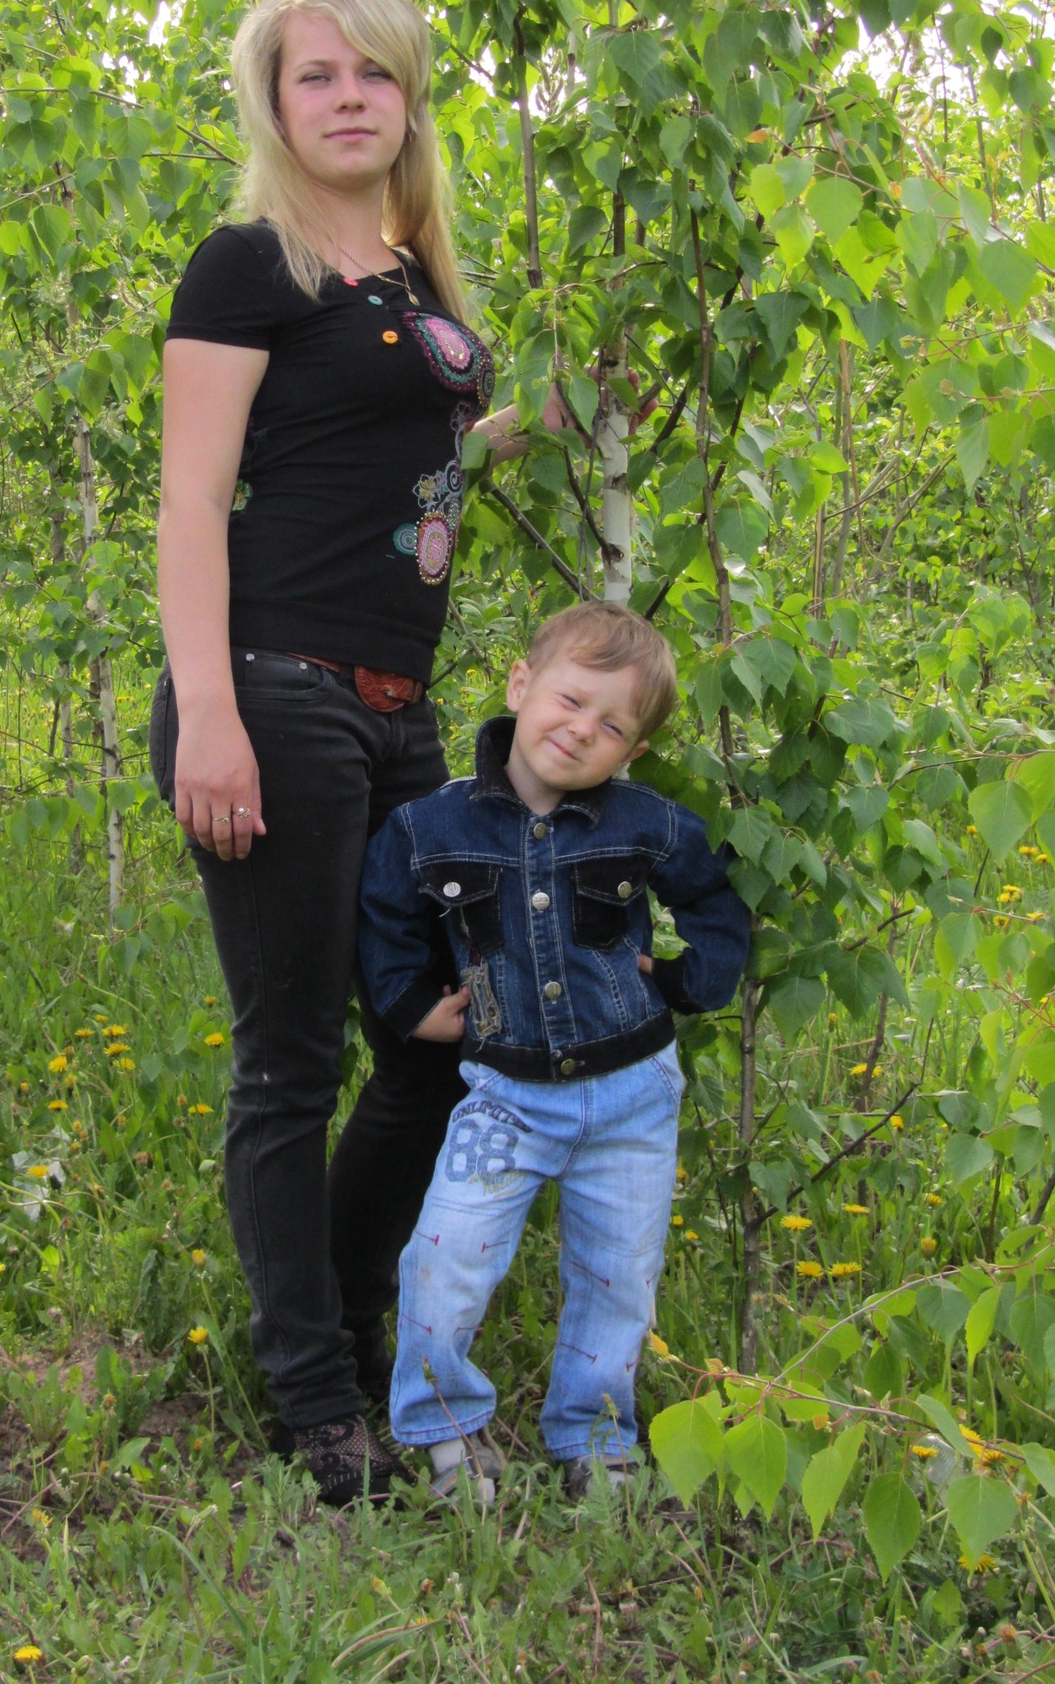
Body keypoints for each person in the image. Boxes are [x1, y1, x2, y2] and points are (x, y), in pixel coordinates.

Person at [151, 0, 570, 1506]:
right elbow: (192, 498)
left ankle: (327, 1318)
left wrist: (543, 421)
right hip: (273, 692)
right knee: (292, 1064)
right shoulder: (247, 264)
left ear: (409, 99)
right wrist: (210, 715)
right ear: (275, 103)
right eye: (315, 75)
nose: (347, 98)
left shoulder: (409, 273)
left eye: (373, 74)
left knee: (441, 1040)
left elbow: (414, 467)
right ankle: (319, 1408)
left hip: (402, 715)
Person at [357, 602, 752, 1503]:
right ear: (521, 685)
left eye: (611, 726)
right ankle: (446, 1429)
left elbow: (714, 903)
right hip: (505, 1095)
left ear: (633, 750)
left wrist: (690, 983)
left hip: (633, 1095)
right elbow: (384, 915)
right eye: (570, 701)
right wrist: (412, 1007)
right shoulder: (429, 828)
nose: (580, 730)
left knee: (618, 1279)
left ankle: (595, 1437)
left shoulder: (648, 824)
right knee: (446, 1255)